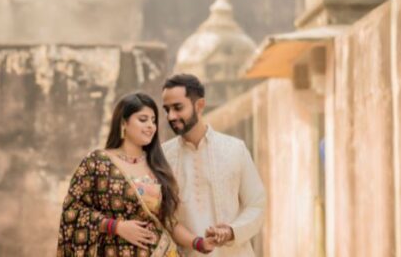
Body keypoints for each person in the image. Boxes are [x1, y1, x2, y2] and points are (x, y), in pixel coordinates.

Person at [57, 92, 218, 256]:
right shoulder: (97, 162)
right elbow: (72, 212)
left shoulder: (157, 166)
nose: (151, 126)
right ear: (124, 122)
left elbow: (169, 222)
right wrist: (116, 227)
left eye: (153, 121)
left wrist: (199, 243)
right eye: (143, 119)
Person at [161, 74, 266, 257]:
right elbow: (162, 216)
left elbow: (256, 205)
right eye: (167, 109)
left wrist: (232, 231)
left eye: (178, 108)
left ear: (199, 105)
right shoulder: (162, 157)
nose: (171, 116)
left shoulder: (234, 149)